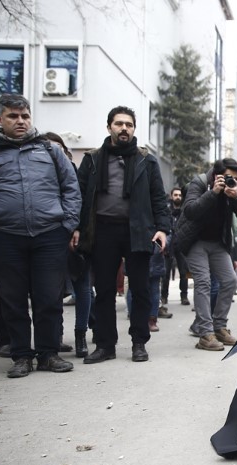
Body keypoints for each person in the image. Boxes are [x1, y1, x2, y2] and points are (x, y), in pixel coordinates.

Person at [0, 94, 80, 377]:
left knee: (48, 297)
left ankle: (48, 354)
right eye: (13, 116)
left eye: (25, 116)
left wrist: (66, 225)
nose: (20, 121)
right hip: (4, 237)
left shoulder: (49, 151)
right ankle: (21, 356)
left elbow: (70, 187)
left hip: (48, 235)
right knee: (12, 299)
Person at [76, 105, 170, 364]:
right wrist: (76, 228)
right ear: (109, 127)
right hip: (102, 229)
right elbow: (80, 196)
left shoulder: (146, 160)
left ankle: (139, 342)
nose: (124, 128)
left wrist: (162, 229)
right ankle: (105, 345)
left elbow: (158, 198)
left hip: (137, 230)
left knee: (140, 289)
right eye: (119, 124)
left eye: (128, 124)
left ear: (134, 129)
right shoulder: (93, 159)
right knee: (104, 289)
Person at [175, 158, 237, 351]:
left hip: (218, 243)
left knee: (230, 281)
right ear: (216, 175)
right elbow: (191, 211)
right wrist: (213, 193)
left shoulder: (233, 188)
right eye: (227, 177)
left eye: (234, 178)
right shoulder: (199, 183)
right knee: (203, 282)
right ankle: (205, 333)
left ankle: (219, 327)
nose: (230, 181)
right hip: (195, 241)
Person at [43, 131, 93, 357]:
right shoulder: (37, 174)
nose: (54, 152)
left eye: (58, 148)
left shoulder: (74, 171)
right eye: (48, 148)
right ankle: (55, 337)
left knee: (83, 287)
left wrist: (77, 229)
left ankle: (81, 335)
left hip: (74, 235)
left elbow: (83, 202)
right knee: (51, 291)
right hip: (46, 237)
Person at [162, 186, 190, 307]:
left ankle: (184, 296)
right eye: (175, 195)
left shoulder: (185, 210)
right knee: (166, 272)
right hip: (169, 244)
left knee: (183, 272)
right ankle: (164, 296)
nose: (178, 197)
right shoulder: (166, 209)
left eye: (179, 195)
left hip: (181, 244)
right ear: (172, 196)